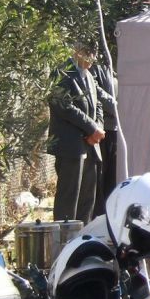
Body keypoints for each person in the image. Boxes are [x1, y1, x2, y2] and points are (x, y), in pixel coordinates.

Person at [49, 42, 104, 222]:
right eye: (88, 52)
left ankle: (84, 235)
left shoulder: (89, 76)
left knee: (87, 196)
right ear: (77, 50)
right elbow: (62, 105)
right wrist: (91, 127)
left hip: (90, 146)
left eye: (94, 53)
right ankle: (64, 240)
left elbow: (98, 104)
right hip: (71, 146)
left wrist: (98, 128)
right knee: (69, 196)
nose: (92, 58)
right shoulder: (62, 73)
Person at [91, 56, 120, 218]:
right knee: (101, 177)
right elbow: (96, 91)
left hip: (115, 127)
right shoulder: (95, 67)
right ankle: (100, 215)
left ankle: (110, 215)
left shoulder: (110, 65)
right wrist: (117, 106)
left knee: (111, 177)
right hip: (104, 129)